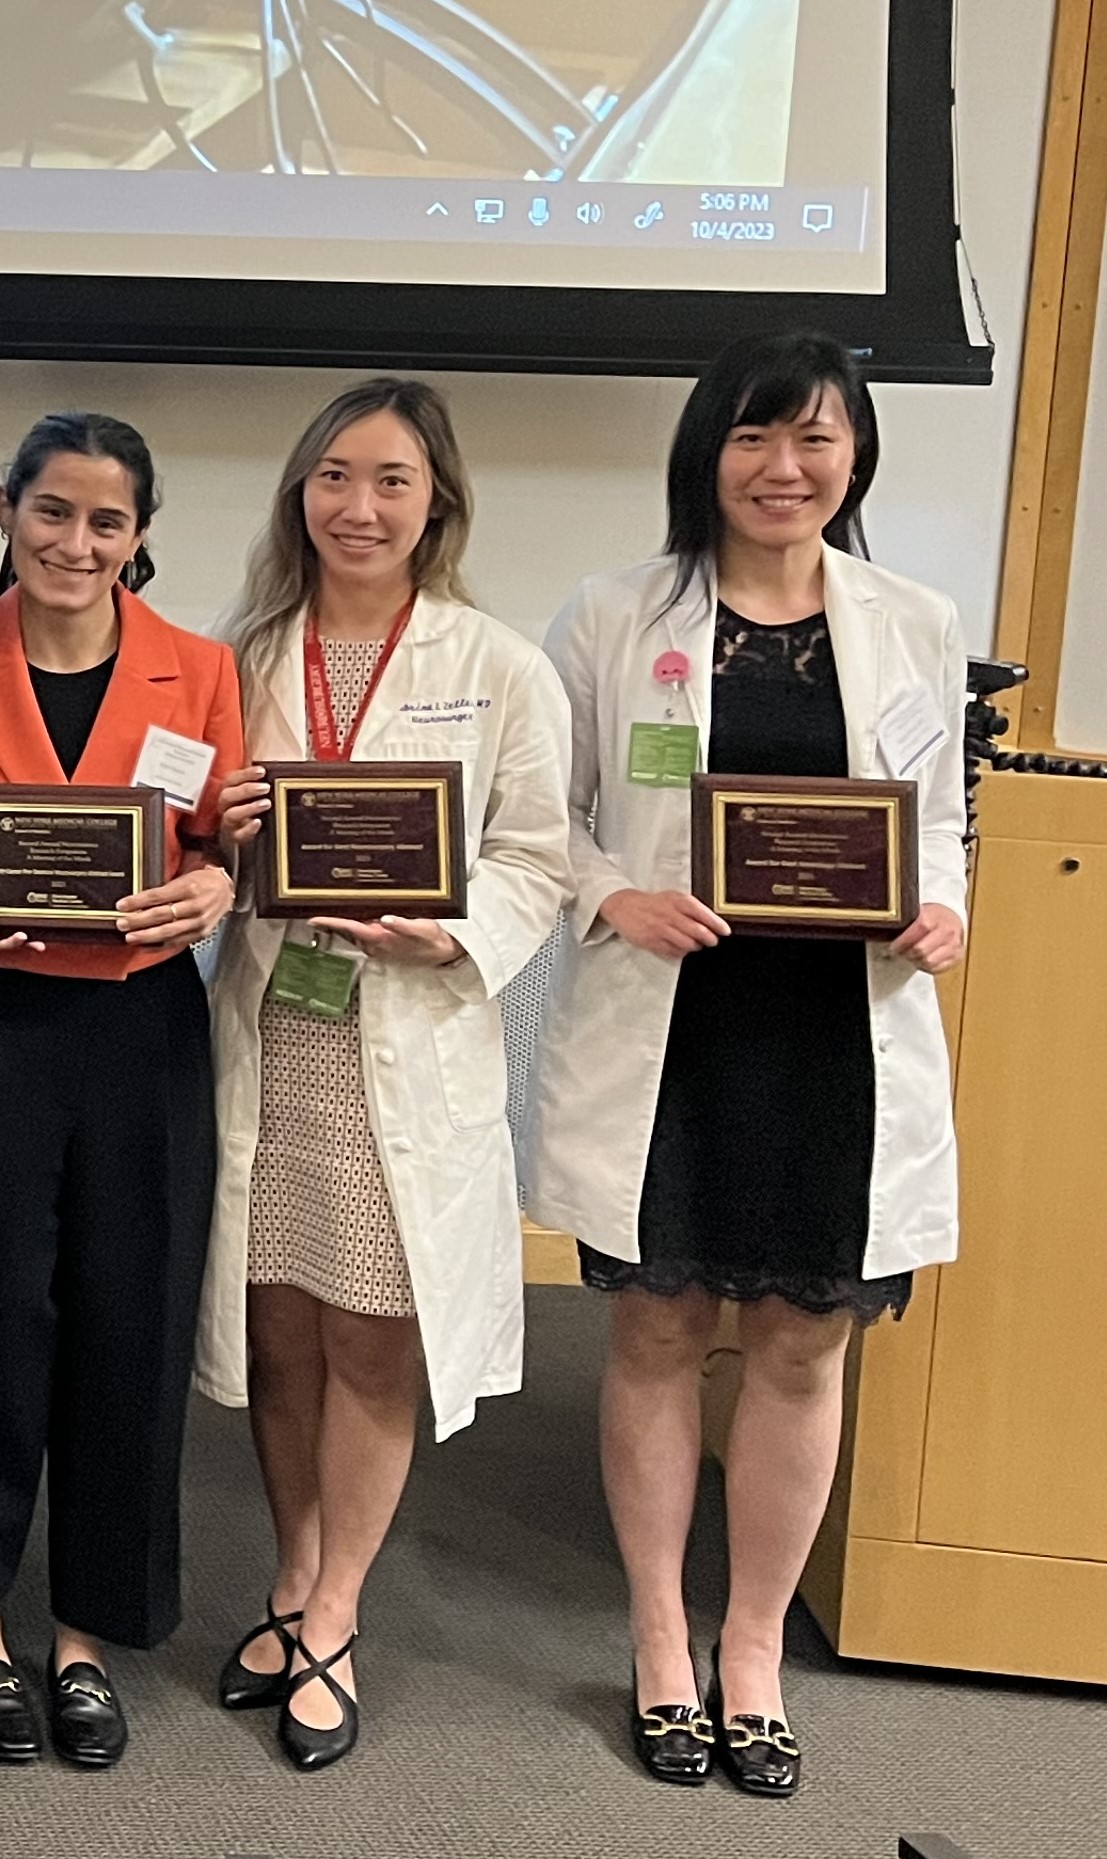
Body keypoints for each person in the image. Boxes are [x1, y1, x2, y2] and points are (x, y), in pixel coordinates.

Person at [535, 331, 966, 1800]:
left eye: (817, 442)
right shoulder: (611, 615)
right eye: (754, 438)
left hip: (839, 1035)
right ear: (706, 450)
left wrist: (943, 904)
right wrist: (615, 895)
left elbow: (941, 819)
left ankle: (756, 1651)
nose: (785, 469)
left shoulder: (912, 617)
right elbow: (548, 819)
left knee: (800, 1341)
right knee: (659, 1330)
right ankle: (662, 1638)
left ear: (854, 461)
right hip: (679, 1028)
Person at [193, 379, 570, 1770]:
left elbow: (538, 858)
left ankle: (339, 1613)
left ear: (437, 504)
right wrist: (217, 828)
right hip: (274, 1036)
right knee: (277, 1327)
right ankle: (291, 1576)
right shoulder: (237, 658)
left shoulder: (500, 664)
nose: (360, 507)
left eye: (393, 481)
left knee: (372, 1333)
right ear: (302, 492)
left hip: (401, 1042)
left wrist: (447, 926)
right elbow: (184, 843)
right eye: (337, 477)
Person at [0, 412, 244, 1784]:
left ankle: (85, 1636)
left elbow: (218, 851)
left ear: (140, 536)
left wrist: (215, 886)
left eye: (107, 522)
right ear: (9, 517)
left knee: (126, 1327)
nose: (75, 544)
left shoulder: (199, 672)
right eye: (51, 514)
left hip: (142, 1030)